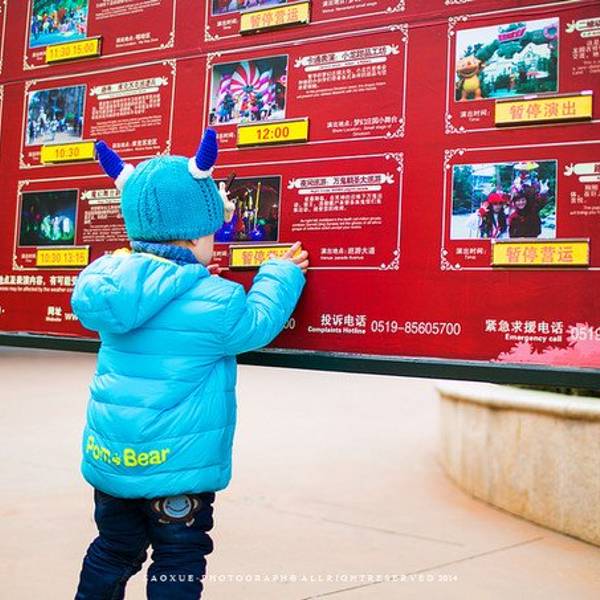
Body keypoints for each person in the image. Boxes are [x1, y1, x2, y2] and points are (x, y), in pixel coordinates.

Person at [71, 129, 308, 599]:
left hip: (113, 459)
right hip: (176, 469)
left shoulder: (111, 287)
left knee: (114, 549)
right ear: (198, 234)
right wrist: (280, 274)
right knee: (178, 559)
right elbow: (257, 323)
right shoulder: (216, 299)